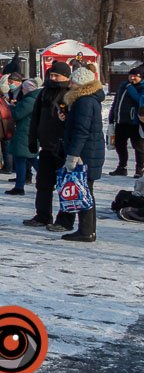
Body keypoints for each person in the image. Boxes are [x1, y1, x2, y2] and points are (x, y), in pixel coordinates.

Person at [57, 64, 105, 241]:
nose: (69, 85)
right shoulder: (88, 100)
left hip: (85, 153)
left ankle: (86, 231)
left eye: (73, 82)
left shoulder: (84, 101)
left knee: (84, 191)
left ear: (81, 84)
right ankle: (88, 230)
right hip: (90, 151)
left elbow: (81, 131)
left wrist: (73, 155)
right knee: (86, 191)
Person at [25, 61, 73, 230]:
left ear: (66, 77)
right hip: (46, 146)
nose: (53, 78)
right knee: (43, 184)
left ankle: (65, 220)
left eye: (56, 75)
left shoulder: (71, 93)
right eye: (51, 75)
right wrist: (32, 139)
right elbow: (35, 117)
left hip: (63, 148)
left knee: (66, 186)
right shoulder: (44, 92)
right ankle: (43, 215)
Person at [108, 65, 144, 177]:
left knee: (138, 146)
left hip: (135, 123)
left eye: (135, 76)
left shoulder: (141, 87)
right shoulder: (123, 86)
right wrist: (112, 116)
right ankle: (122, 167)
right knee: (119, 145)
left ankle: (140, 169)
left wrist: (130, 87)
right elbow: (116, 102)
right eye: (130, 76)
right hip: (121, 121)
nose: (132, 78)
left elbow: (139, 100)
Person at [6, 78, 39, 195]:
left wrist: (9, 107)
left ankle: (19, 186)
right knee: (31, 158)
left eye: (23, 89)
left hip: (25, 133)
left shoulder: (30, 100)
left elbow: (17, 114)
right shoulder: (34, 98)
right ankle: (48, 180)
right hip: (28, 133)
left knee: (21, 159)